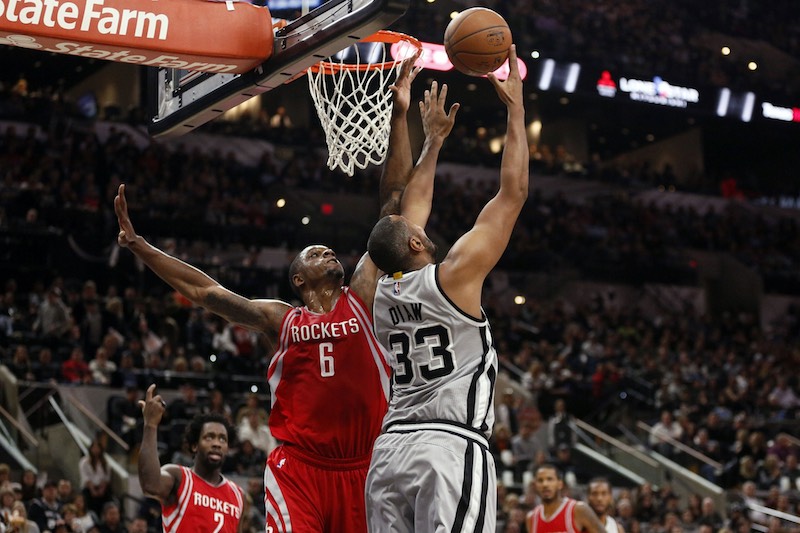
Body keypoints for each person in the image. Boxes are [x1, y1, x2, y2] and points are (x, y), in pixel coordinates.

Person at [114, 53, 426, 533]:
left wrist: (400, 114)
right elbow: (204, 290)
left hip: (362, 466)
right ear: (298, 280)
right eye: (315, 252)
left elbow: (393, 208)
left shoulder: (361, 294)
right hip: (297, 467)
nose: (327, 253)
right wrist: (140, 247)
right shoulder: (281, 319)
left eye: (327, 250)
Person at [365, 45, 527, 532]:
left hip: (388, 455)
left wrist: (432, 144)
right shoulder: (454, 275)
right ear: (415, 241)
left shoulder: (380, 291)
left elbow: (405, 212)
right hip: (448, 446)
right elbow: (513, 193)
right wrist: (515, 111)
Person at [137, 384, 244, 533]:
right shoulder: (179, 477)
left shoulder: (237, 495)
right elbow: (149, 484)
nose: (216, 444)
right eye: (209, 437)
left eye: (222, 439)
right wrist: (150, 425)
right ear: (195, 446)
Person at [526, 464, 605, 533]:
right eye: (540, 480)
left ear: (560, 484)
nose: (545, 484)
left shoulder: (578, 510)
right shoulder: (531, 518)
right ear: (535, 485)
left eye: (550, 479)